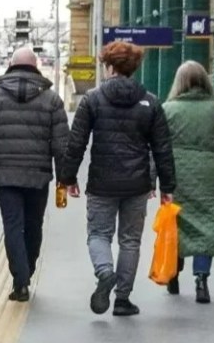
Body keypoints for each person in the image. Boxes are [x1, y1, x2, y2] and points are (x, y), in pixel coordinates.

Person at [60, 40, 177, 317]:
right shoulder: (150, 101)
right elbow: (162, 148)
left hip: (102, 182)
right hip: (138, 185)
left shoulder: (92, 99)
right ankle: (122, 299)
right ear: (133, 68)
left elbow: (76, 143)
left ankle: (105, 272)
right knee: (130, 240)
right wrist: (167, 187)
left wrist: (68, 177)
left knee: (99, 234)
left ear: (109, 67)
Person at [0, 45, 70, 302]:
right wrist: (64, 178)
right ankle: (28, 269)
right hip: (38, 175)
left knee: (13, 226)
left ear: (11, 65)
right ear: (35, 66)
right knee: (34, 225)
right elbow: (61, 145)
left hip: (4, 177)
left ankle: (21, 281)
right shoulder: (52, 100)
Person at [160, 60, 214, 303]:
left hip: (177, 171)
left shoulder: (168, 109)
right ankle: (201, 279)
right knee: (208, 224)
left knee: (176, 223)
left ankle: (173, 275)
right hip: (209, 171)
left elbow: (161, 144)